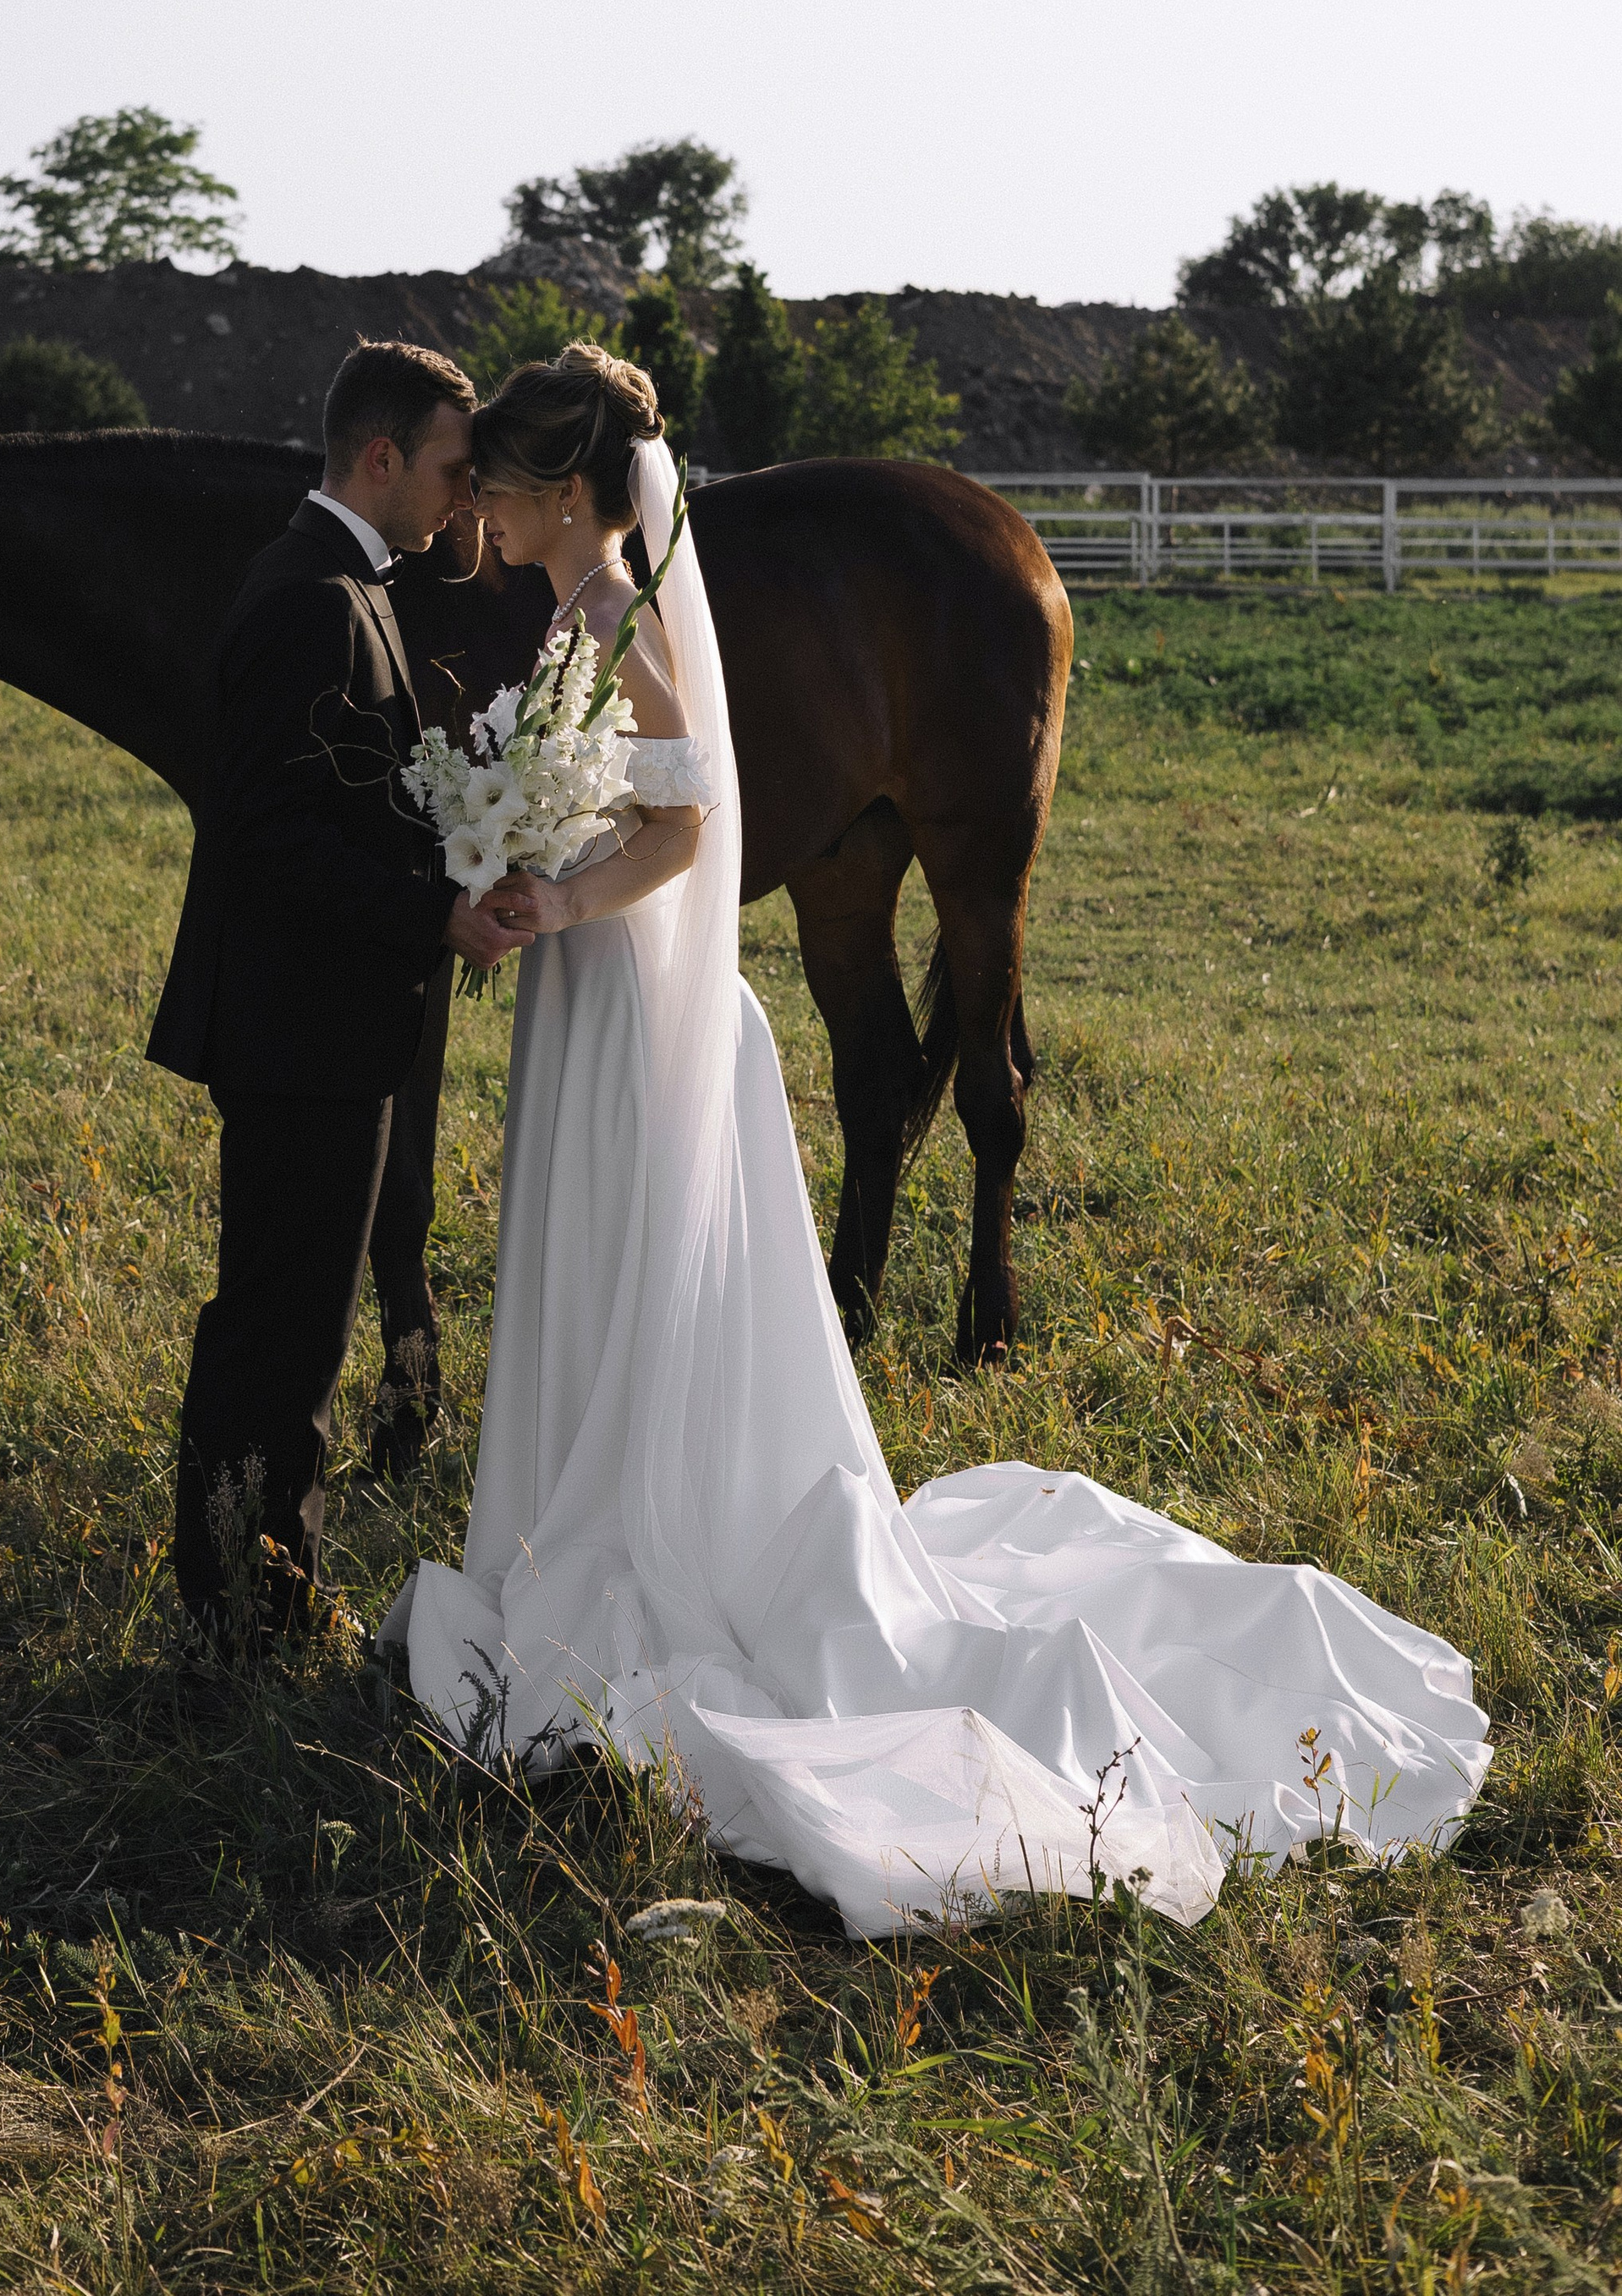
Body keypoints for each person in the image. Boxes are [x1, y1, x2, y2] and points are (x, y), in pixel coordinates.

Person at [382, 345, 1492, 1931]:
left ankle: (654, 1525)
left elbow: (698, 813)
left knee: (632, 1253)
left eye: (491, 480)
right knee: (593, 1253)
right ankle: (581, 1499)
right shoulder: (577, 606)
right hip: (589, 995)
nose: (472, 503)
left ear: (563, 493)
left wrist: (552, 887)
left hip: (629, 989)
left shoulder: (618, 613)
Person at [151, 338, 515, 1646]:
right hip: (299, 1025)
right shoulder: (310, 595)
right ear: (380, 459)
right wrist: (438, 912)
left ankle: (255, 1589)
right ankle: (247, 1606)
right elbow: (268, 831)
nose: (463, 497)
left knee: (295, 1312)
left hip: (321, 1017)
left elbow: (344, 798)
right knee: (281, 1324)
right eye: (450, 469)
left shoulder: (345, 581)